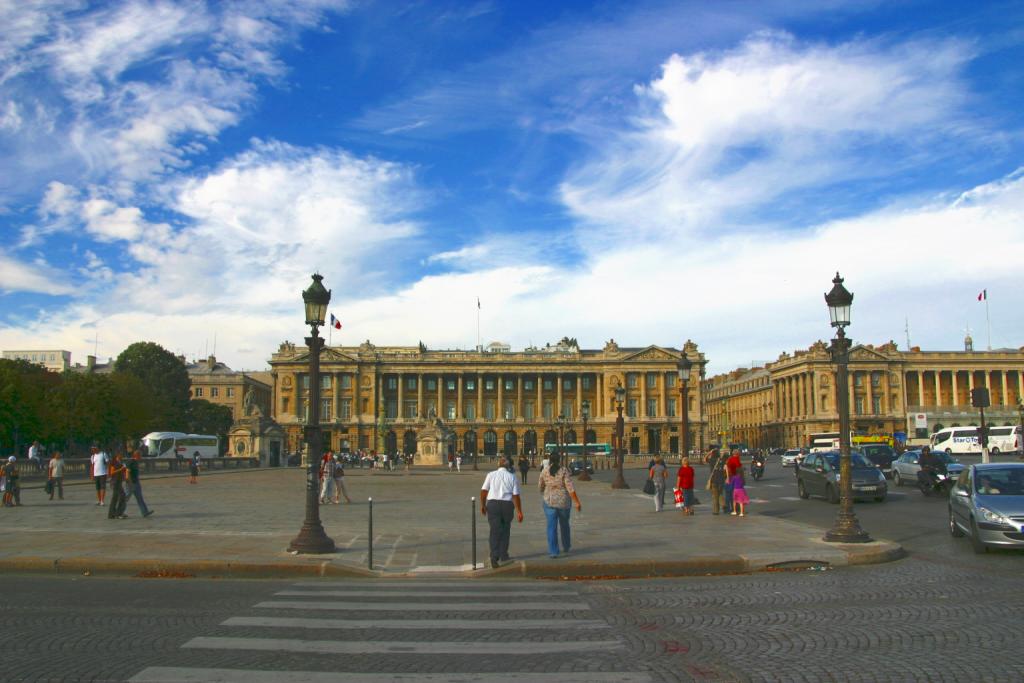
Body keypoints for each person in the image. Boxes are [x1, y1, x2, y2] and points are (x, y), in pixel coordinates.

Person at [479, 455, 523, 569]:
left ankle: (494, 556)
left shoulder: (491, 475)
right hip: (507, 505)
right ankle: (504, 554)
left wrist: (483, 505)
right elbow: (516, 496)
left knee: (494, 530)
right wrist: (519, 511)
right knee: (505, 529)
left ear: (498, 465)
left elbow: (484, 491)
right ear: (508, 466)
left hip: (493, 504)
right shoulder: (512, 477)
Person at [537, 452, 581, 558]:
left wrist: (545, 490)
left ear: (550, 460)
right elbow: (570, 487)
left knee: (551, 527)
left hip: (549, 501)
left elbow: (540, 486)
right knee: (565, 525)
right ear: (559, 459)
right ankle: (566, 546)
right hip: (563, 501)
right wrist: (576, 501)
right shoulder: (564, 470)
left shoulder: (545, 470)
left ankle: (553, 551)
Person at [126, 451, 154, 517]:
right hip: (131, 483)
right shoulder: (131, 462)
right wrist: (129, 482)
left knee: (140, 498)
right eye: (140, 455)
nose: (141, 457)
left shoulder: (136, 462)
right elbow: (127, 473)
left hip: (136, 482)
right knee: (126, 498)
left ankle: (145, 512)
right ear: (136, 455)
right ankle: (119, 511)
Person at [705, 449, 728, 515]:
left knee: (715, 496)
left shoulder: (712, 460)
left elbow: (705, 459)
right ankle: (724, 505)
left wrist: (709, 453)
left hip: (714, 479)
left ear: (712, 454)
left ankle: (716, 511)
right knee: (720, 493)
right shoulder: (721, 460)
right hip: (721, 479)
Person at [107, 452, 128, 519]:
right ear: (117, 456)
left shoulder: (120, 462)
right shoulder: (114, 463)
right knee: (121, 496)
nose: (122, 456)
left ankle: (113, 514)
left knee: (116, 498)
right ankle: (118, 513)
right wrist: (120, 469)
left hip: (118, 482)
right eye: (121, 455)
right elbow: (111, 472)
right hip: (115, 482)